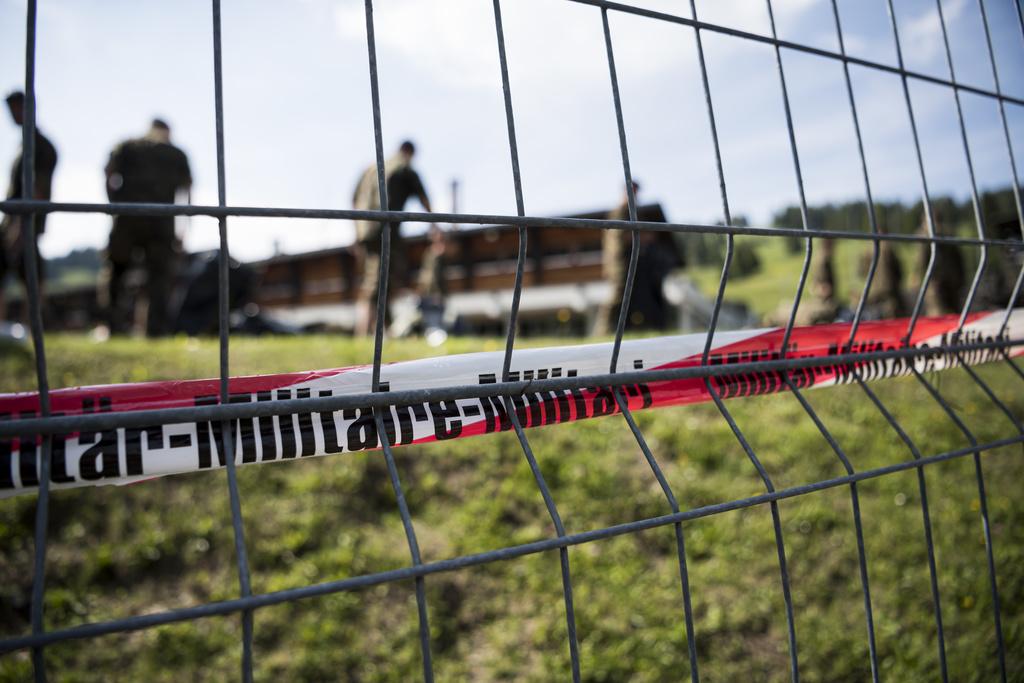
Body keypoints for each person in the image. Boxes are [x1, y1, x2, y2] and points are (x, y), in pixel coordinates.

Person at [101, 118, 191, 336]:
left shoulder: (127, 146)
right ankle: (155, 331)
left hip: (127, 218)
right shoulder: (176, 154)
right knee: (158, 280)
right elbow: (187, 194)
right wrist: (185, 230)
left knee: (117, 275)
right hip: (161, 222)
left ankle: (113, 328)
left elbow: (108, 173)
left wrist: (114, 204)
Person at [352, 140, 432, 336]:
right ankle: (363, 333)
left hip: (366, 227)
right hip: (385, 228)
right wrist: (436, 223)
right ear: (409, 152)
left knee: (380, 277)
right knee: (379, 280)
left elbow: (354, 200)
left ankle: (382, 330)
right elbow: (423, 197)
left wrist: (357, 232)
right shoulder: (404, 167)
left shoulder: (371, 168)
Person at [0, 91, 58, 321]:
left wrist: (19, 228)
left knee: (33, 278)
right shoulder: (24, 145)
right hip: (14, 220)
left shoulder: (40, 147)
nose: (11, 114)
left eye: (15, 108)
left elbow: (37, 190)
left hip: (25, 220)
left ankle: (28, 328)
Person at [593, 181, 638, 336]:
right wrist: (640, 237)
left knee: (626, 295)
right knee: (617, 295)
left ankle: (619, 329)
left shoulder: (626, 211)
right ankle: (603, 331)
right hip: (619, 260)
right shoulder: (621, 211)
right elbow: (618, 238)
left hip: (621, 259)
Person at [417, 223, 449, 335]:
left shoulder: (433, 251)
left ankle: (435, 332)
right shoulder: (432, 252)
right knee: (432, 316)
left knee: (437, 315)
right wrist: (436, 292)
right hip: (431, 290)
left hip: (434, 289)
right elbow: (431, 274)